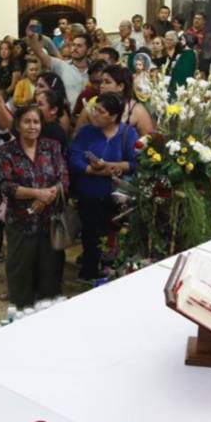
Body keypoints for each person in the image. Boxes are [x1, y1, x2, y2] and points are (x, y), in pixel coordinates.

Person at [0, 105, 68, 306]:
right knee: (20, 274)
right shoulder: (6, 151)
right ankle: (22, 316)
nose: (32, 126)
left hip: (50, 222)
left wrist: (48, 196)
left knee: (50, 275)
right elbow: (7, 186)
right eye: (27, 122)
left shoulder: (52, 146)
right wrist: (37, 193)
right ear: (18, 125)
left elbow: (63, 177)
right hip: (21, 223)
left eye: (36, 122)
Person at [69, 92, 138, 282]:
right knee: (90, 237)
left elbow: (136, 163)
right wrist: (90, 169)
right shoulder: (86, 132)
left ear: (114, 116)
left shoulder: (128, 134)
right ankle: (89, 273)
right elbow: (74, 158)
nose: (95, 114)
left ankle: (114, 275)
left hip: (116, 197)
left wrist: (115, 167)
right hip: (89, 195)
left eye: (101, 111)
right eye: (95, 109)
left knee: (114, 238)